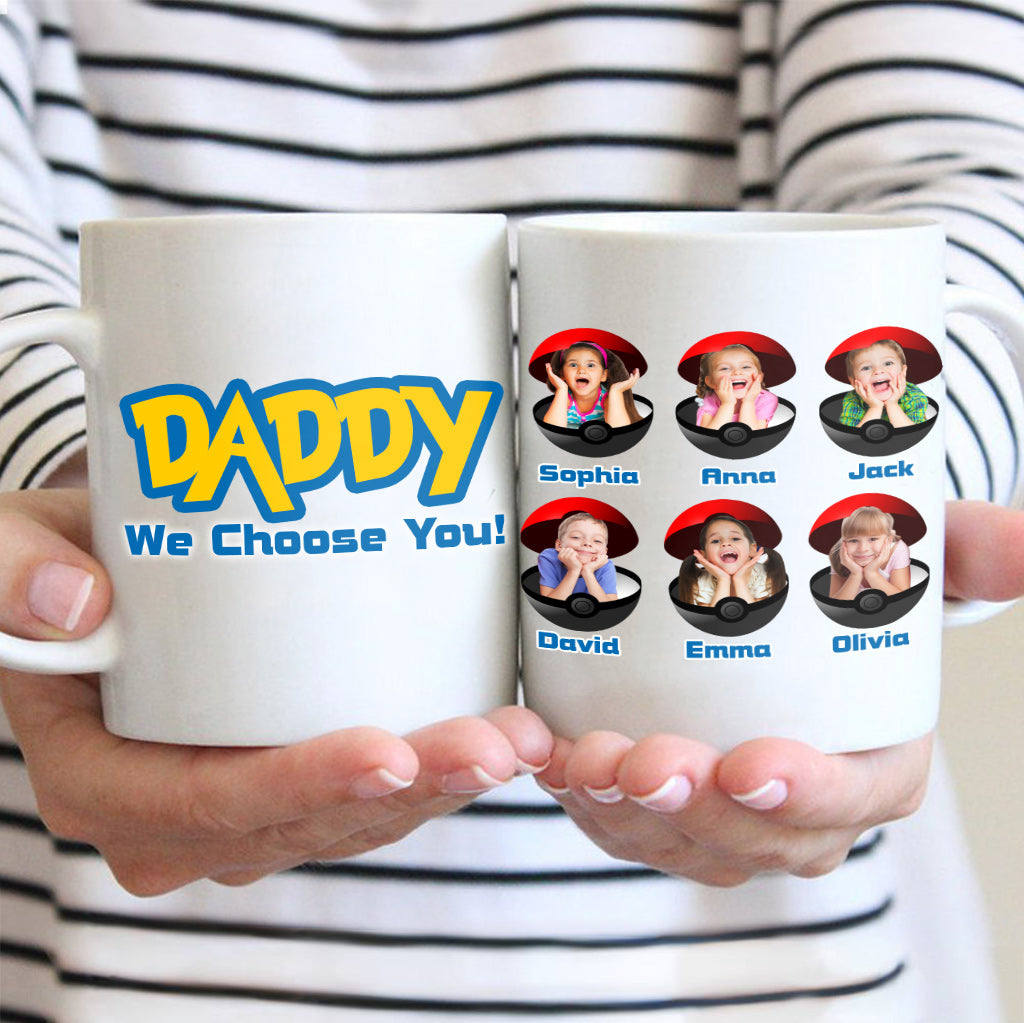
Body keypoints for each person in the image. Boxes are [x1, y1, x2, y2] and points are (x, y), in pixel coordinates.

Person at [0, 1, 1021, 1019]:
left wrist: (904, 486)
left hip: (752, 933)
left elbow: (970, 180)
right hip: (106, 929)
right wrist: (81, 492)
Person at [677, 513, 786, 607]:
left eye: (735, 538)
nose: (726, 543)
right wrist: (723, 580)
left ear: (752, 549)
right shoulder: (701, 583)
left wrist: (739, 580)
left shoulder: (764, 576)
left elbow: (755, 617)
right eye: (715, 541)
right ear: (704, 556)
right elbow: (713, 620)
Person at [542, 341, 642, 429]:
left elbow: (620, 430)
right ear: (562, 374)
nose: (581, 370)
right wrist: (561, 388)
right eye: (573, 365)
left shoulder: (607, 399)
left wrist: (616, 391)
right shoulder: (564, 397)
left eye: (590, 365)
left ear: (603, 375)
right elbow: (552, 429)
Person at [838, 339, 930, 429]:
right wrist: (875, 407)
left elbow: (912, 434)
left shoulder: (913, 395)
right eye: (866, 368)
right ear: (853, 381)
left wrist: (892, 404)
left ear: (903, 371)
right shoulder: (853, 399)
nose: (878, 371)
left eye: (888, 363)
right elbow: (854, 437)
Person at [829, 505, 912, 599]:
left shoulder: (898, 550)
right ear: (844, 542)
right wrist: (855, 575)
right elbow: (834, 605)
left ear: (889, 540)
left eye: (872, 539)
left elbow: (903, 599)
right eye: (853, 540)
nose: (862, 549)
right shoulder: (840, 554)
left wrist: (871, 573)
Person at [537, 511, 618, 603]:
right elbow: (550, 605)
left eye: (597, 541)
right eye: (576, 537)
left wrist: (588, 572)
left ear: (604, 552)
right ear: (559, 545)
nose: (587, 543)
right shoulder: (549, 558)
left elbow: (610, 607)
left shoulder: (606, 565)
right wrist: (574, 570)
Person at [695, 344, 779, 430]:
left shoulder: (766, 400)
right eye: (725, 368)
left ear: (759, 377)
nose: (737, 372)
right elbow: (708, 435)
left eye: (745, 367)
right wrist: (727, 404)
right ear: (711, 382)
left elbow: (753, 435)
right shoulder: (711, 399)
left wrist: (748, 402)